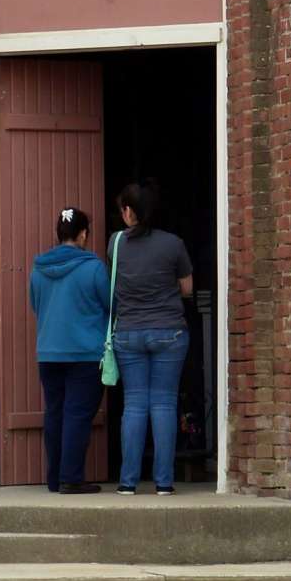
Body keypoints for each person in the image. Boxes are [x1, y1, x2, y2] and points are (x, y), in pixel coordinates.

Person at [109, 181, 193, 496]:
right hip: (169, 330)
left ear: (128, 211)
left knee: (134, 405)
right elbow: (186, 289)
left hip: (129, 331)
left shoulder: (115, 243)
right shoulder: (173, 244)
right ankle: (164, 482)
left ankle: (128, 482)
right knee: (163, 403)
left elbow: (114, 285)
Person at [28, 206, 111, 494]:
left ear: (58, 233)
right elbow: (110, 306)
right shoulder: (93, 268)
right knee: (77, 414)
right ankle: (72, 478)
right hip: (85, 354)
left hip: (49, 352)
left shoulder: (38, 269)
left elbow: (36, 305)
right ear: (84, 234)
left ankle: (55, 478)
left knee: (55, 413)